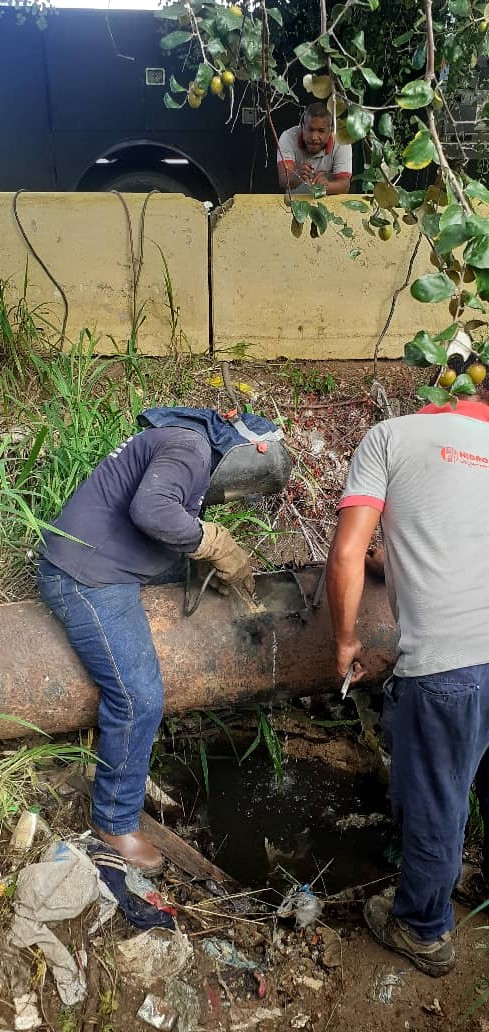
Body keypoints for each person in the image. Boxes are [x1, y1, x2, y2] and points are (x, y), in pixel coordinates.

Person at [37, 406, 291, 875]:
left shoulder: (185, 442)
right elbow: (151, 510)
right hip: (86, 577)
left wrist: (201, 564)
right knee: (139, 698)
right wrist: (213, 542)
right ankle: (114, 823)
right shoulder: (191, 448)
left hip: (100, 558)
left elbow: (162, 517)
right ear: (240, 457)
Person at [325, 376, 489, 978]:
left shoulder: (390, 436)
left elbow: (347, 554)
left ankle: (421, 929)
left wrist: (345, 640)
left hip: (449, 669)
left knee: (435, 802)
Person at [277, 101, 352, 196]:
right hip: (294, 202)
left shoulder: (341, 142)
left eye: (321, 131)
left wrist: (324, 187)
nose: (314, 137)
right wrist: (298, 175)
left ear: (330, 131)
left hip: (330, 203)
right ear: (302, 127)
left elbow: (345, 186)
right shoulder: (288, 137)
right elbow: (283, 181)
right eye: (310, 129)